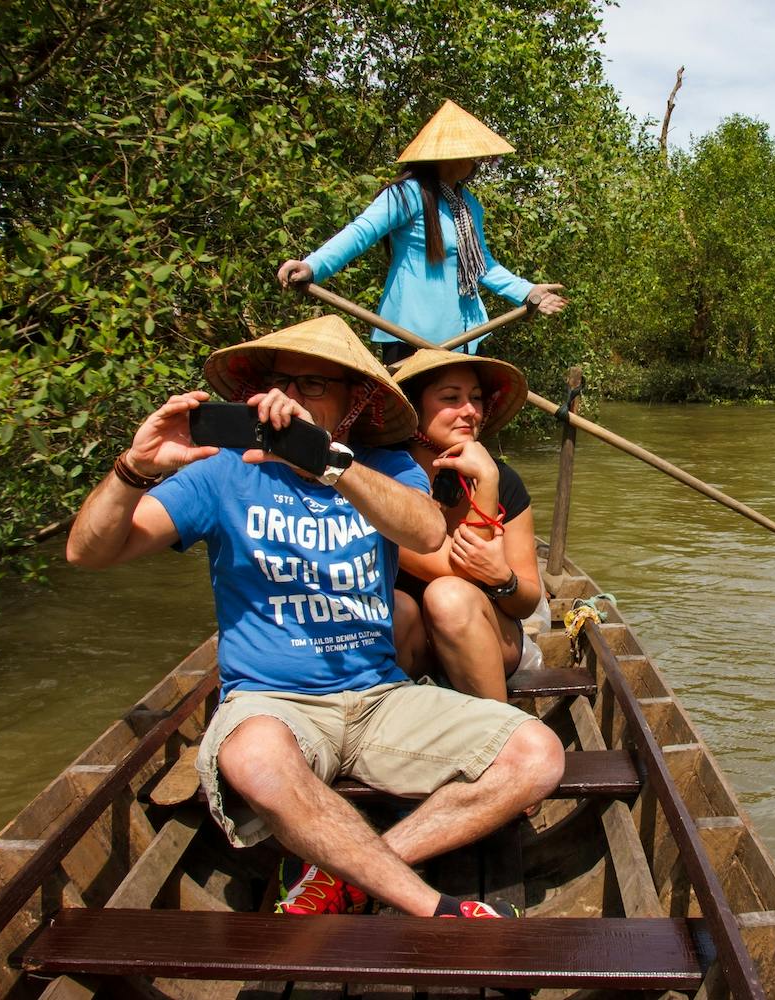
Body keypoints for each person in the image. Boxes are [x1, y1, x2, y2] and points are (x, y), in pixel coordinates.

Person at [65, 315, 565, 919]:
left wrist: (327, 463)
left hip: (379, 697)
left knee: (539, 755)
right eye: (285, 382)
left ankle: (345, 875)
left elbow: (429, 529)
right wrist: (133, 469)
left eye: (315, 386)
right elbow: (87, 552)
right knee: (251, 757)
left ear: (353, 405)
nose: (293, 398)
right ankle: (430, 906)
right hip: (274, 701)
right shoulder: (222, 472)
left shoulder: (384, 469)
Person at [277, 99, 568, 363]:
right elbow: (360, 232)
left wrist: (527, 290)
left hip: (468, 335)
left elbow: (483, 266)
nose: (476, 164)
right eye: (472, 157)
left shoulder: (469, 205)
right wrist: (313, 265)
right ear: (449, 157)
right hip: (412, 335)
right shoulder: (407, 194)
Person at [388, 349, 545, 701]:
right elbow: (456, 570)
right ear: (413, 408)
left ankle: (499, 736)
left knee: (450, 599)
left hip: (484, 634)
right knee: (401, 607)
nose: (469, 411)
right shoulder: (386, 482)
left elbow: (528, 601)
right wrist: (485, 479)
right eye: (450, 398)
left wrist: (503, 579)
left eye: (475, 398)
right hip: (411, 643)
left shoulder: (505, 480)